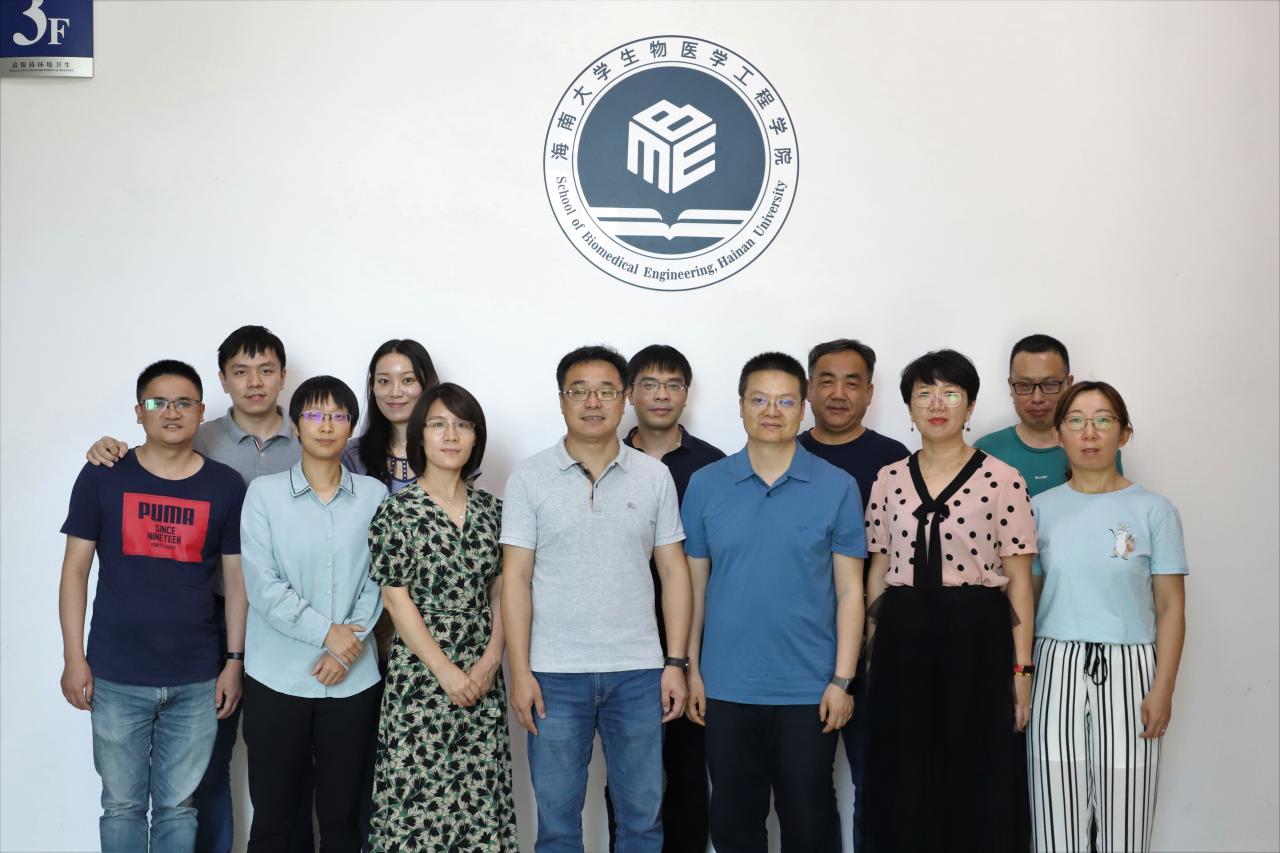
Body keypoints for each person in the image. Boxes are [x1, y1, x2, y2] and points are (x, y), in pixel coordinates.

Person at [84, 325, 306, 853]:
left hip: (291, 627)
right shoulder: (195, 434)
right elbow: (149, 449)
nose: (255, 382)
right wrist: (105, 447)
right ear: (223, 382)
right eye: (240, 371)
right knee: (202, 774)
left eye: (266, 370)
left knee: (287, 763)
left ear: (282, 376)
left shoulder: (311, 440)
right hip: (210, 622)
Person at [500, 344, 692, 853]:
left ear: (624, 398)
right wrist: (520, 671)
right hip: (553, 676)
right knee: (558, 827)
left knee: (642, 823)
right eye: (579, 391)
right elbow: (515, 579)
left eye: (605, 391)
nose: (592, 402)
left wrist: (675, 663)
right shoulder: (529, 477)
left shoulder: (654, 476)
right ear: (561, 399)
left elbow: (674, 572)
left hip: (639, 673)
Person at [59, 359, 247, 853]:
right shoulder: (103, 475)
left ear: (201, 411)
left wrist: (233, 662)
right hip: (116, 675)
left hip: (196, 678)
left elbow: (236, 582)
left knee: (178, 807)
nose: (171, 412)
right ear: (138, 411)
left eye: (184, 403)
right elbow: (75, 571)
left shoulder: (226, 486)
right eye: (158, 402)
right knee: (121, 805)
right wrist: (74, 657)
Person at [681, 351, 865, 853]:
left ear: (803, 408)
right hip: (726, 687)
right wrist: (692, 670)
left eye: (785, 401)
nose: (771, 411)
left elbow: (851, 590)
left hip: (810, 688)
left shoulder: (837, 486)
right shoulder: (706, 485)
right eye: (759, 399)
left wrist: (842, 680)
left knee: (810, 823)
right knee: (734, 824)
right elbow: (694, 588)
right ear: (741, 405)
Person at [862, 349, 1035, 853]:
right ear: (909, 407)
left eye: (951, 393)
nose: (937, 405)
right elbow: (878, 570)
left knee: (976, 769)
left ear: (971, 405)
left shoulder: (1003, 478)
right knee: (902, 771)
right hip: (901, 638)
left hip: (977, 637)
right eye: (925, 394)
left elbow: (1019, 582)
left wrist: (1021, 671)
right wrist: (871, 653)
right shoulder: (888, 478)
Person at [1027, 382, 1187, 852]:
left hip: (1131, 667)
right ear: (1059, 434)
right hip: (1054, 664)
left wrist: (1163, 687)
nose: (1089, 432)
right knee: (1055, 813)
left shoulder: (1155, 510)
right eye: (1076, 420)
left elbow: (1171, 606)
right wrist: (1021, 674)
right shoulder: (1039, 509)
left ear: (1124, 433)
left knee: (1126, 816)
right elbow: (1027, 600)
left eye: (1103, 420)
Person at [367, 383, 518, 851]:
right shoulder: (396, 510)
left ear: (476, 438)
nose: (450, 435)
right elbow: (395, 599)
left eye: (462, 425)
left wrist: (491, 661)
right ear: (419, 435)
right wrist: (445, 671)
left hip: (482, 674)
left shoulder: (495, 512)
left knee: (478, 803)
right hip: (420, 679)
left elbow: (503, 592)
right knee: (416, 805)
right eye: (437, 424)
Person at [239, 376, 386, 851]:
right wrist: (327, 634)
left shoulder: (374, 496)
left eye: (338, 416)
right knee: (276, 818)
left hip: (353, 680)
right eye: (314, 415)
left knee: (346, 816)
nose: (326, 425)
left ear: (351, 426)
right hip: (276, 678)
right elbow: (262, 585)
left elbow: (380, 580)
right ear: (295, 425)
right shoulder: (263, 494)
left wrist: (345, 649)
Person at [603, 344, 725, 853]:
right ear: (630, 393)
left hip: (693, 643)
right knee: (628, 780)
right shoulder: (604, 459)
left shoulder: (713, 466)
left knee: (689, 771)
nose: (661, 395)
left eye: (673, 385)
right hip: (621, 642)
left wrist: (690, 658)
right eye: (649, 384)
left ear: (686, 395)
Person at [797, 338, 908, 850]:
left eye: (851, 382)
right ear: (808, 389)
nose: (838, 393)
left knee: (879, 781)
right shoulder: (787, 452)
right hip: (803, 646)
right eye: (826, 380)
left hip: (879, 649)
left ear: (869, 392)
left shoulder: (894, 460)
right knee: (805, 789)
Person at [976, 333, 1123, 496]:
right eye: (1024, 385)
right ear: (1011, 387)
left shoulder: (1096, 448)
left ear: (1068, 384)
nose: (1037, 398)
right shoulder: (986, 451)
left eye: (1050, 384)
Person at [343, 338, 439, 494]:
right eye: (384, 381)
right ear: (372, 386)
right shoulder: (352, 455)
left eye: (408, 380)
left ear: (428, 383)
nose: (395, 392)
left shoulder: (451, 446)